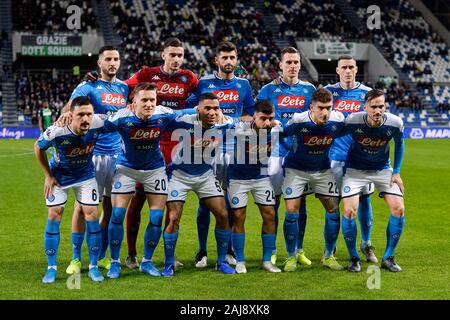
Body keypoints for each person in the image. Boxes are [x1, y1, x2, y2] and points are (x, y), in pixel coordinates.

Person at [103, 83, 196, 279]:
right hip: (126, 169)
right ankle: (114, 262)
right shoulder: (122, 117)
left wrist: (206, 110)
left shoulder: (163, 114)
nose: (149, 104)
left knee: (156, 218)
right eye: (144, 100)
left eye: (152, 100)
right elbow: (97, 124)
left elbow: (187, 112)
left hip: (154, 169)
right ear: (133, 102)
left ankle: (146, 261)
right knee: (118, 214)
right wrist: (68, 116)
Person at [123, 37, 199, 269]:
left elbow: (205, 94)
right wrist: (128, 101)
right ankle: (131, 254)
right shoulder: (148, 74)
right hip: (150, 144)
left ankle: (168, 256)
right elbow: (123, 86)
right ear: (163, 55)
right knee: (138, 200)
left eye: (180, 55)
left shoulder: (189, 78)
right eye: (172, 55)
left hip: (177, 146)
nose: (176, 59)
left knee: (171, 203)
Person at [185, 41, 255, 268]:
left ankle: (229, 250)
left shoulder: (243, 84)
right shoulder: (204, 83)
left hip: (233, 151)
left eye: (232, 57)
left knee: (231, 203)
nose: (228, 61)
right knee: (205, 203)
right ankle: (202, 250)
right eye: (224, 57)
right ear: (216, 60)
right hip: (207, 150)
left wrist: (232, 120)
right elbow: (190, 108)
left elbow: (251, 116)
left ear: (236, 59)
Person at [62, 45, 129, 274]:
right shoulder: (88, 86)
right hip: (93, 156)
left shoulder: (124, 88)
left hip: (118, 156)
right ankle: (76, 258)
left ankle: (100, 256)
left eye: (116, 59)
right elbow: (68, 111)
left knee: (110, 209)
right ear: (99, 63)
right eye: (108, 59)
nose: (113, 63)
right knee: (82, 208)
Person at [161, 92, 237, 276]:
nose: (212, 112)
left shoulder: (225, 124)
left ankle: (221, 262)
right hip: (180, 175)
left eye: (216, 108)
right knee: (173, 218)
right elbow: (164, 116)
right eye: (208, 108)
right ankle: (169, 263)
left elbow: (239, 123)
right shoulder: (184, 121)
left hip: (206, 176)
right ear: (198, 109)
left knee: (223, 214)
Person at [34, 96, 104, 284]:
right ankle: (51, 268)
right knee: (54, 215)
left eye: (89, 114)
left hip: (85, 176)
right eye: (80, 114)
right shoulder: (57, 130)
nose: (86, 119)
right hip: (60, 177)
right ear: (70, 115)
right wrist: (48, 176)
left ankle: (94, 267)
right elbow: (38, 147)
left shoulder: (98, 123)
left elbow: (118, 117)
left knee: (92, 214)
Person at [257, 47, 316, 266]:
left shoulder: (309, 90)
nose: (292, 66)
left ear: (300, 65)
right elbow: (259, 119)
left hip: (301, 154)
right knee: (272, 203)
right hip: (275, 153)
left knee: (300, 204)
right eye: (288, 62)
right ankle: (271, 251)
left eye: (296, 62)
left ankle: (298, 249)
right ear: (280, 65)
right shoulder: (267, 90)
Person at [279, 88, 345, 272]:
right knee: (292, 212)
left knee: (333, 210)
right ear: (311, 107)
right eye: (321, 108)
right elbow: (281, 134)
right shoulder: (299, 120)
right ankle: (291, 256)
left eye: (328, 108)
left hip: (323, 170)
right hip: (296, 169)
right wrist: (289, 151)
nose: (325, 113)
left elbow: (348, 134)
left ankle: (329, 255)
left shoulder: (337, 119)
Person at [341, 89, 405, 272]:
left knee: (399, 208)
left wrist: (397, 172)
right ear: (365, 107)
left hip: (383, 169)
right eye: (374, 107)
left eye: (381, 106)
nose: (378, 111)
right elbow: (332, 134)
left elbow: (400, 143)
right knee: (349, 211)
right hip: (355, 170)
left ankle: (388, 257)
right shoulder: (353, 120)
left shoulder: (395, 123)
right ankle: (354, 257)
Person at [325, 55, 376, 263]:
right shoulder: (328, 93)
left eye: (351, 67)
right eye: (344, 67)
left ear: (356, 70)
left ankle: (366, 243)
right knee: (333, 203)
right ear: (337, 70)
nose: (348, 71)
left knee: (365, 199)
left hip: (362, 158)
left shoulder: (366, 94)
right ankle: (330, 250)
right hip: (335, 158)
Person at [226, 100, 281, 273]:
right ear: (254, 117)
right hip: (237, 178)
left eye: (270, 118)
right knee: (238, 216)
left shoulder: (277, 128)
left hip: (261, 176)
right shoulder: (239, 128)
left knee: (270, 214)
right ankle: (240, 260)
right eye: (263, 118)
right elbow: (225, 123)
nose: (267, 123)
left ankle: (266, 260)